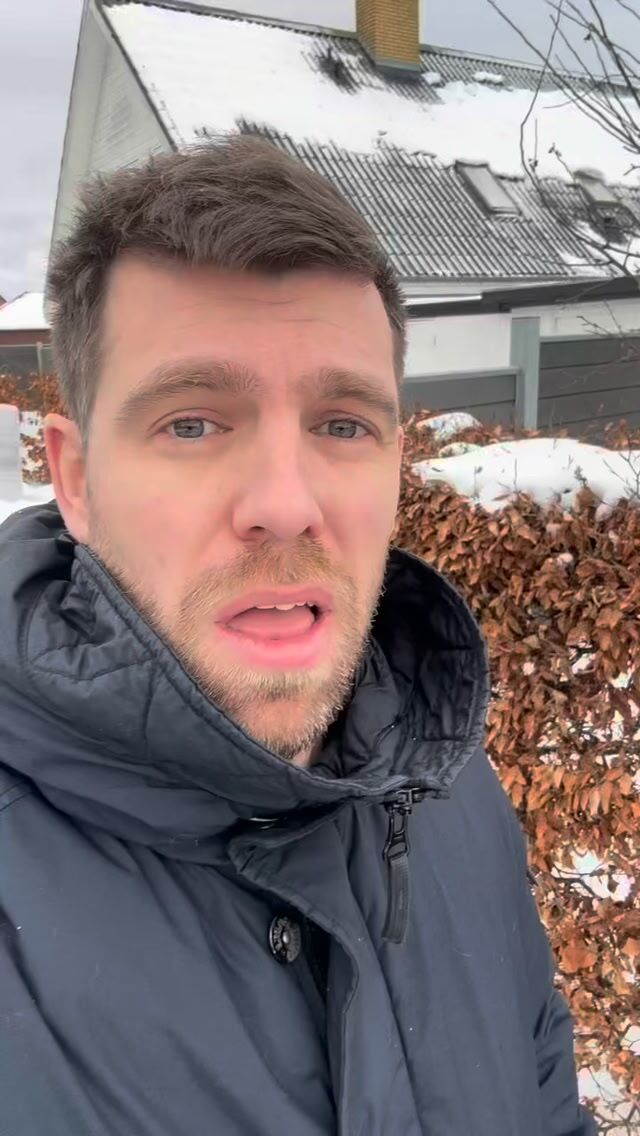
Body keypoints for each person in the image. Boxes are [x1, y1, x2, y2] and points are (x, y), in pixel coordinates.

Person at [0, 135, 596, 1136]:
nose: (285, 504)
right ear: (76, 479)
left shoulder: (450, 796)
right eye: (193, 423)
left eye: (342, 424)